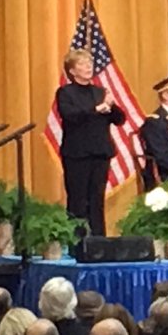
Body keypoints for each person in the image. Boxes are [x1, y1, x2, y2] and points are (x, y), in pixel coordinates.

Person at [56, 48, 125, 237]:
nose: (88, 67)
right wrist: (97, 109)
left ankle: (99, 241)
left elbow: (120, 119)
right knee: (78, 200)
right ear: (72, 70)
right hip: (77, 154)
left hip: (100, 152)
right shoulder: (66, 93)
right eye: (82, 64)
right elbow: (71, 117)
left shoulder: (100, 91)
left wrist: (110, 106)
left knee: (97, 199)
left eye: (89, 63)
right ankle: (77, 243)